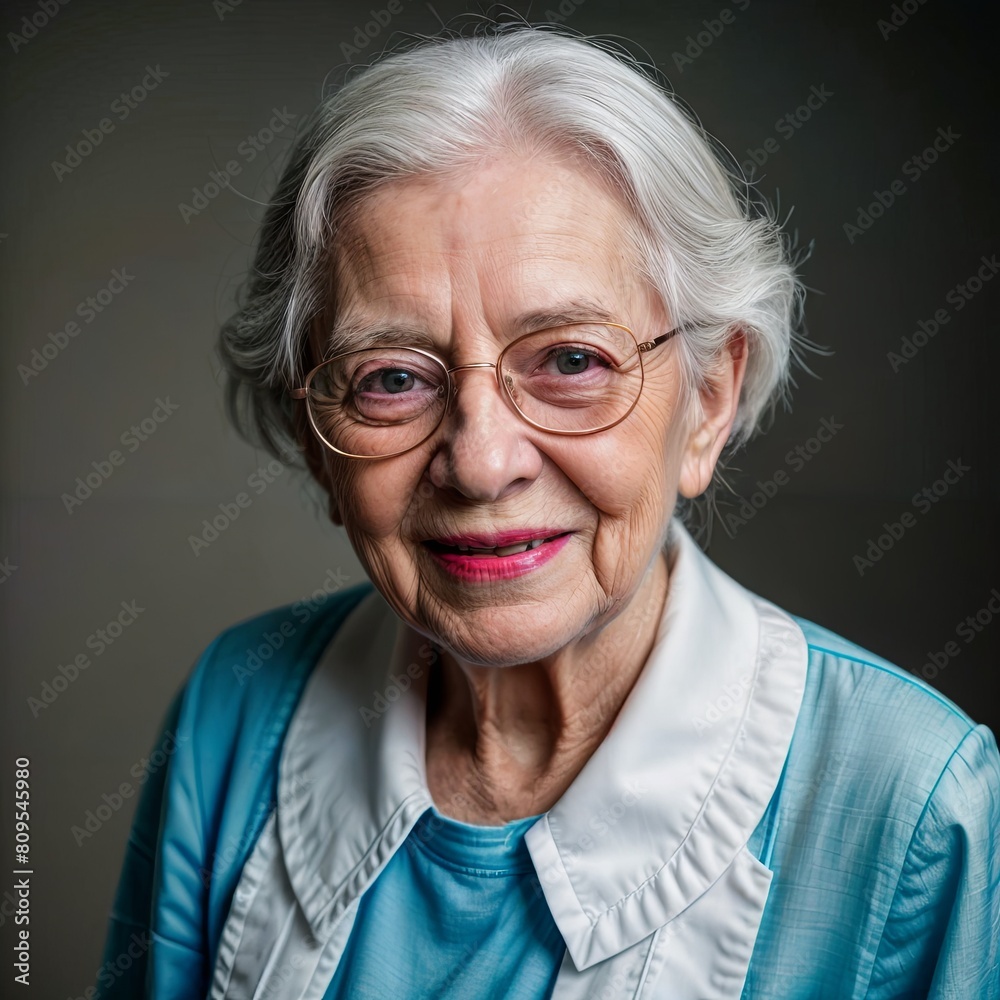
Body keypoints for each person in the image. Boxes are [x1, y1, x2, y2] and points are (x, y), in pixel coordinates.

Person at [96, 23, 1000, 1000]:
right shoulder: (235, 707)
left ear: (705, 401)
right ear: (317, 440)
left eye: (571, 359)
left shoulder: (910, 801)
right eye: (392, 377)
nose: (481, 463)